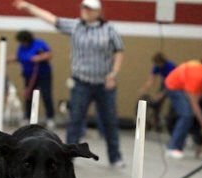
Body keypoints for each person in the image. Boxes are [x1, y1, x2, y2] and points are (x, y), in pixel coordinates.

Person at [13, 0, 126, 168]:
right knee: (75, 121)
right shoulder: (75, 26)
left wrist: (113, 73)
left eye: (89, 9)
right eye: (83, 8)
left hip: (104, 83)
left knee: (110, 121)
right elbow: (52, 19)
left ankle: (115, 156)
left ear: (98, 11)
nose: (85, 11)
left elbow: (119, 51)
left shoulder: (109, 30)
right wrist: (30, 7)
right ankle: (67, 157)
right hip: (81, 82)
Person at [163, 56, 202, 159]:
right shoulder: (198, 75)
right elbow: (194, 103)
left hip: (187, 87)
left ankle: (199, 144)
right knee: (187, 115)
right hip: (174, 86)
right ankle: (172, 147)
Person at [9, 30, 55, 128]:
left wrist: (39, 58)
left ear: (27, 40)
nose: (22, 43)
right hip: (28, 76)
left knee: (46, 95)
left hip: (43, 74)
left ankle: (50, 118)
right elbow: (20, 57)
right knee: (28, 96)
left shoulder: (39, 44)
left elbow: (49, 54)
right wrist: (9, 60)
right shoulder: (21, 47)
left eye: (23, 41)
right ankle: (27, 118)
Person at [139, 52, 176, 131]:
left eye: (158, 64)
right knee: (157, 103)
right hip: (165, 84)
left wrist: (162, 94)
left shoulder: (170, 66)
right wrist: (145, 88)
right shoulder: (157, 67)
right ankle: (157, 122)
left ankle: (171, 121)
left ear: (162, 62)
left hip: (175, 85)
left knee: (166, 99)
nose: (157, 66)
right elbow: (151, 79)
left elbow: (171, 83)